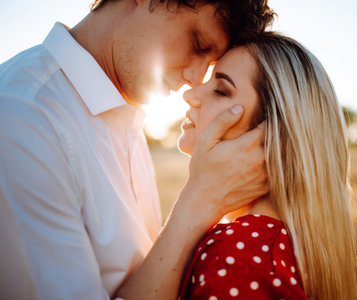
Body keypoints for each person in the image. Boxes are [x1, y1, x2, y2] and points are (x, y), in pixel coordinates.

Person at [0, 0, 275, 299]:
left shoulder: (124, 116)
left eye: (210, 65)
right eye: (198, 43)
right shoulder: (23, 116)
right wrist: (198, 202)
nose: (194, 80)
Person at [177, 33, 357, 299]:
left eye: (221, 90)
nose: (191, 94)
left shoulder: (234, 258)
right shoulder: (292, 242)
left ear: (270, 135)